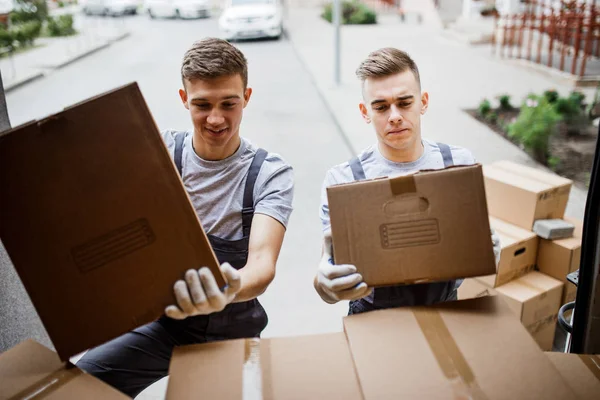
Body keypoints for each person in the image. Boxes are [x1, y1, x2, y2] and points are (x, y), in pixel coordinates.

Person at [77, 38, 294, 397]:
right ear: (183, 99)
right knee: (81, 383)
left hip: (233, 330)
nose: (215, 118)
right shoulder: (159, 152)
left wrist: (227, 289)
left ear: (247, 96)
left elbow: (261, 264)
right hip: (164, 324)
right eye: (201, 105)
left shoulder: (269, 172)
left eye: (229, 103)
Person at [314, 47, 500, 314]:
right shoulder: (343, 180)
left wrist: (488, 253)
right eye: (380, 107)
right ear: (365, 112)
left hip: (447, 311)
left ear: (423, 102)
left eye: (404, 102)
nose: (394, 116)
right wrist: (326, 283)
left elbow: (474, 246)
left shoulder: (458, 165)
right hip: (373, 318)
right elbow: (328, 268)